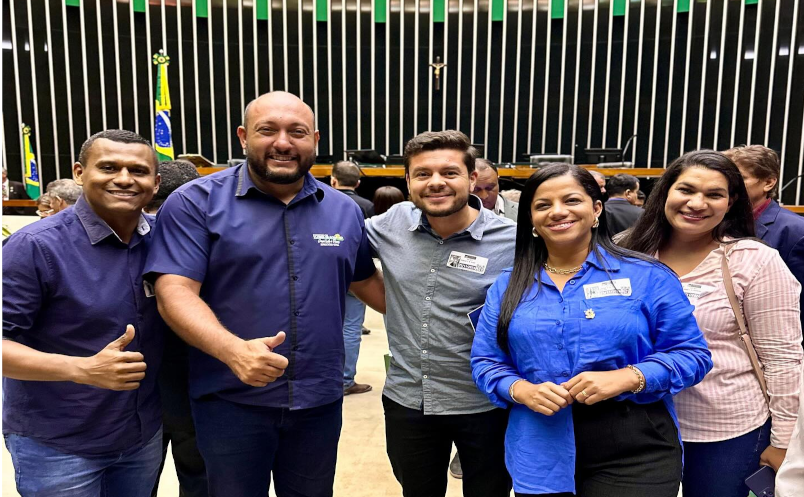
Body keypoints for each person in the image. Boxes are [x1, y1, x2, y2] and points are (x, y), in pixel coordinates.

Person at [144, 91, 385, 497]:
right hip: (230, 400)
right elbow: (174, 292)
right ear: (243, 136)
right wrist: (233, 351)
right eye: (267, 130)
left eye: (297, 132)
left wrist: (440, 316)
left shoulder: (343, 210)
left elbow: (365, 281)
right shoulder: (195, 203)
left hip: (318, 402)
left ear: (315, 140)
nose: (283, 143)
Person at [471, 163, 713, 497]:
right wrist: (519, 389)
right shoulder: (509, 285)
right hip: (539, 447)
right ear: (531, 218)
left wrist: (628, 377)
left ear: (596, 209)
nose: (558, 212)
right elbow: (486, 361)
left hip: (635, 445)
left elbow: (692, 355)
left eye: (571, 200)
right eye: (543, 205)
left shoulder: (648, 276)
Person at [621, 150, 803, 497]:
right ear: (665, 191)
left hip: (723, 431)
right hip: (637, 422)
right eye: (686, 190)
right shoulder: (626, 252)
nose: (697, 203)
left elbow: (783, 358)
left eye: (714, 194)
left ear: (731, 202)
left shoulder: (754, 262)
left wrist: (783, 441)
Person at [3, 129, 165, 496]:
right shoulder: (34, 246)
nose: (124, 179)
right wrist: (81, 369)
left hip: (141, 436)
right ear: (79, 173)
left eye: (138, 171)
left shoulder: (164, 239)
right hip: (57, 445)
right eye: (108, 167)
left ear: (155, 183)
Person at [367, 130, 515, 497]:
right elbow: (339, 254)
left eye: (449, 172)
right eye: (422, 174)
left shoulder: (514, 241)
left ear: (472, 178)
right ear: (408, 181)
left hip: (486, 401)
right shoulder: (390, 224)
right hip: (409, 399)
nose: (436, 182)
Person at [143, 159, 207, 497]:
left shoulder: (127, 236)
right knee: (200, 476)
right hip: (196, 378)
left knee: (136, 480)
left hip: (135, 384)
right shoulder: (209, 237)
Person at [723, 145, 804, 335]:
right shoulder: (712, 221)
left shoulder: (796, 231)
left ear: (768, 183)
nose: (729, 185)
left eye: (740, 179)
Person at [330, 160, 374, 395]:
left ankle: (327, 377)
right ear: (358, 183)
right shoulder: (366, 205)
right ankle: (346, 380)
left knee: (326, 325)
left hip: (329, 274)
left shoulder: (321, 202)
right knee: (351, 328)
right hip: (358, 272)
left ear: (333, 180)